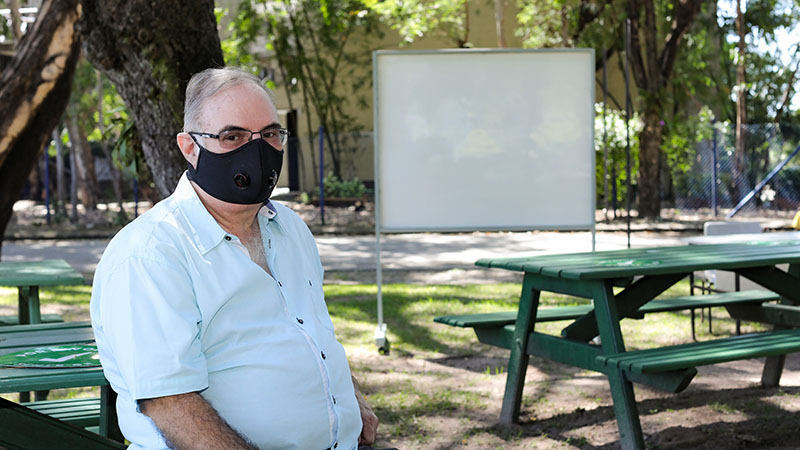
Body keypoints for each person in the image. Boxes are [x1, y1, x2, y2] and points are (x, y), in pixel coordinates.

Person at [91, 67, 383, 450]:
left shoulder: (291, 228)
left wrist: (348, 395)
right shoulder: (150, 255)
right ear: (190, 147)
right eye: (233, 136)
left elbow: (308, 330)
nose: (258, 151)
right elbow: (170, 404)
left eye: (271, 135)